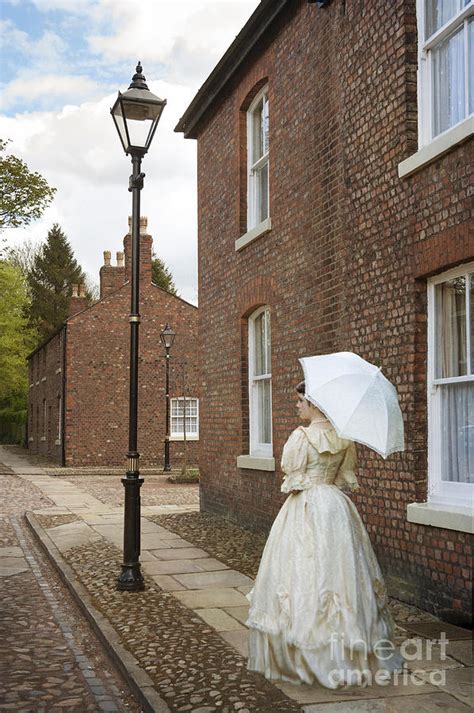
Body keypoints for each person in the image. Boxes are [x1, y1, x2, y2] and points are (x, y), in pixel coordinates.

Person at [246, 381, 404, 688]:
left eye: (301, 401)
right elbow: (345, 477)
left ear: (314, 404)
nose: (297, 406)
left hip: (306, 507)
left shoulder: (301, 437)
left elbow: (293, 479)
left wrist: (306, 480)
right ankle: (351, 648)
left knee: (304, 568)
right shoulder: (344, 438)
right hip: (336, 508)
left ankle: (305, 654)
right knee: (341, 570)